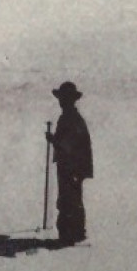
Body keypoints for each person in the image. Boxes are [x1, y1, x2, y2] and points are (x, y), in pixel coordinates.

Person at [49, 82, 94, 246]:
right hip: (71, 166)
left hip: (72, 166)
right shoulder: (70, 117)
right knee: (71, 198)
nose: (60, 102)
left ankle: (71, 234)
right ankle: (73, 233)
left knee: (70, 199)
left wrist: (53, 140)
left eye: (63, 98)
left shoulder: (71, 119)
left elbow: (69, 145)